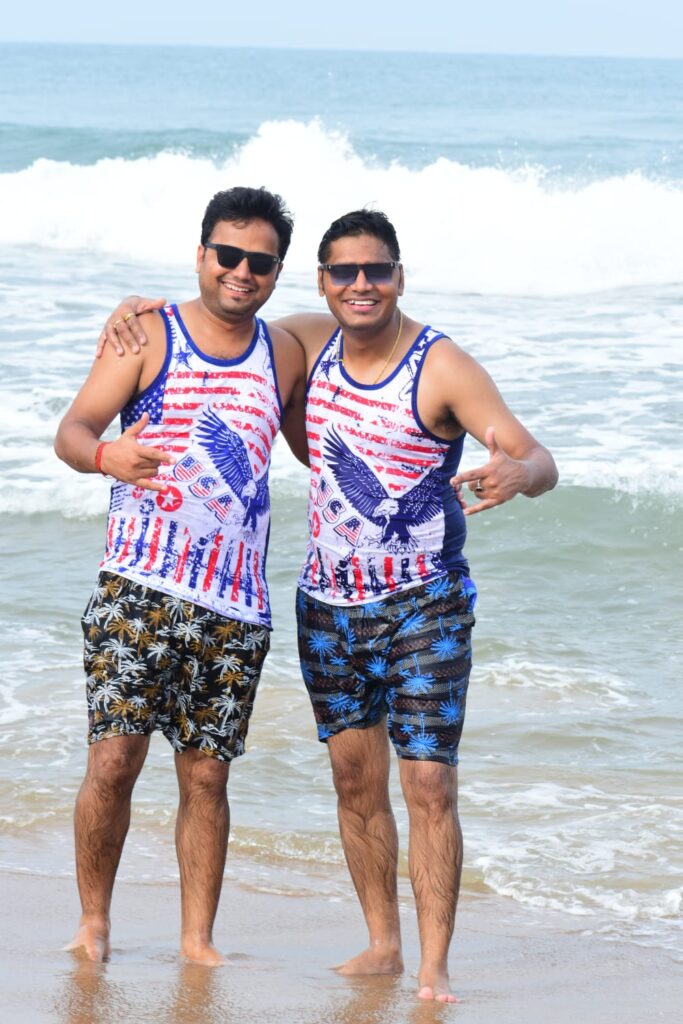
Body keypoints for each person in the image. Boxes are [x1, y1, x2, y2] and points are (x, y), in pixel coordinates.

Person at [100, 208, 558, 1000]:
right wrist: (140, 307)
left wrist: (519, 474)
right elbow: (222, 313)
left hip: (424, 604)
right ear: (320, 281)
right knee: (354, 780)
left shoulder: (440, 363)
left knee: (427, 785)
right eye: (343, 272)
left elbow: (532, 453)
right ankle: (382, 943)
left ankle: (434, 966)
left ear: (399, 277)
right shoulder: (306, 340)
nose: (360, 285)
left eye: (375, 271)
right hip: (328, 606)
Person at [54, 186, 307, 965]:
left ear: (276, 271)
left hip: (235, 604)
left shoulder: (287, 351)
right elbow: (72, 430)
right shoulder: (146, 337)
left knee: (206, 779)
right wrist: (106, 456)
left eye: (259, 261)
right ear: (200, 255)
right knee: (114, 760)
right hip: (138, 587)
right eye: (227, 255)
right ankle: (94, 923)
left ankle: (197, 940)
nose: (240, 271)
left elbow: (367, 328)